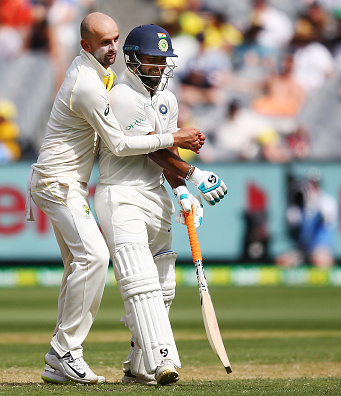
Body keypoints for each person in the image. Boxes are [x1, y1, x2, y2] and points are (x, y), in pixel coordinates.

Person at [26, 13, 205, 385]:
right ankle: (63, 353)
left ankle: (66, 355)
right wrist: (178, 145)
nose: (112, 49)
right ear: (85, 46)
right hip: (57, 182)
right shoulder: (88, 84)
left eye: (115, 40)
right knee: (93, 256)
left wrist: (182, 188)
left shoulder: (103, 75)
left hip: (70, 183)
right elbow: (121, 145)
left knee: (80, 265)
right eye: (103, 42)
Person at [93, 24, 227, 385]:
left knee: (164, 286)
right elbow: (150, 145)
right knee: (140, 281)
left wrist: (182, 191)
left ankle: (137, 366)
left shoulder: (168, 99)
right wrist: (196, 176)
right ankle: (162, 360)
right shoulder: (120, 95)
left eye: (163, 60)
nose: (158, 67)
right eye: (151, 59)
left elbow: (167, 154)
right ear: (133, 59)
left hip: (155, 195)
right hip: (120, 194)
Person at [276, 168, 338, 269]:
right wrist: (295, 205)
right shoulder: (300, 204)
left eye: (314, 184)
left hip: (320, 246)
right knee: (283, 261)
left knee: (319, 261)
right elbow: (292, 224)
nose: (311, 187)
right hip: (302, 248)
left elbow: (326, 220)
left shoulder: (327, 201)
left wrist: (315, 204)